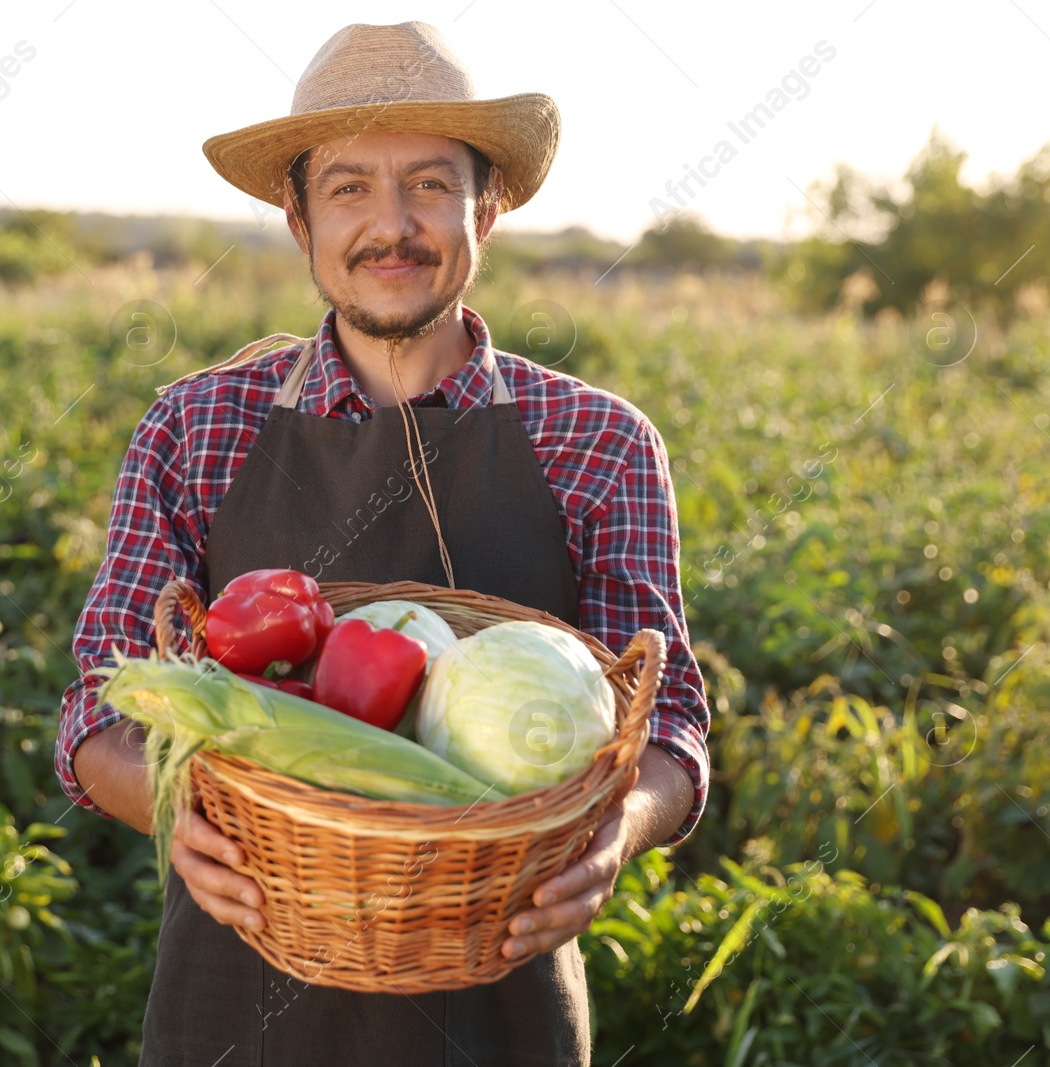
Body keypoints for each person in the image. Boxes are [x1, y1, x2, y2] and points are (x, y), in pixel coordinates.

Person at [54, 20, 711, 1067]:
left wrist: (614, 834)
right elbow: (97, 701)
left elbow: (668, 721)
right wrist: (173, 804)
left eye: (430, 186)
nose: (391, 225)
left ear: (485, 208)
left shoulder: (599, 442)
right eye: (351, 186)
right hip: (236, 1006)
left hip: (500, 1010)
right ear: (297, 213)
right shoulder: (195, 428)